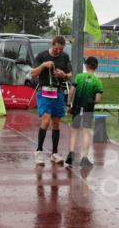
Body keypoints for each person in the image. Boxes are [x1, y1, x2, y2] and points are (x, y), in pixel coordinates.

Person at [30, 35, 72, 166]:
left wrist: (63, 75)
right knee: (46, 120)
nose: (58, 51)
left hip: (58, 92)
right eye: (57, 49)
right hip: (44, 92)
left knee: (56, 123)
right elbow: (33, 73)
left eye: (61, 49)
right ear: (52, 44)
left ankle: (54, 153)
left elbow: (70, 74)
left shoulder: (64, 57)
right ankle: (39, 152)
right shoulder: (41, 56)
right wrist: (43, 65)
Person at [65, 56, 103, 169]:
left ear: (86, 65)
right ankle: (84, 158)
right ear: (96, 67)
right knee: (86, 131)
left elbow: (71, 91)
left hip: (76, 107)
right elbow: (98, 99)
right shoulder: (97, 81)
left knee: (74, 131)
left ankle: (70, 155)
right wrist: (92, 102)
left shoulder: (79, 77)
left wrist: (68, 104)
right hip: (88, 109)